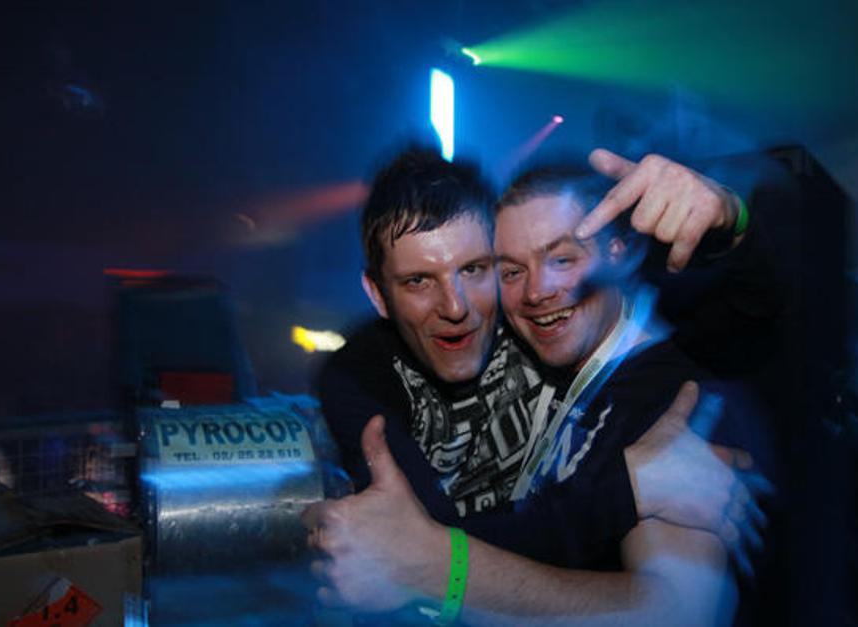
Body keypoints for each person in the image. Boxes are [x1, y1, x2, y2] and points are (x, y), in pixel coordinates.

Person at [304, 147, 769, 624]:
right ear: (378, 293)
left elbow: (678, 616)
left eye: (474, 269)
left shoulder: (664, 393)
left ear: (618, 252)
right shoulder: (364, 371)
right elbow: (415, 540)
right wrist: (623, 491)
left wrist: (731, 220)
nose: (456, 306)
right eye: (418, 281)